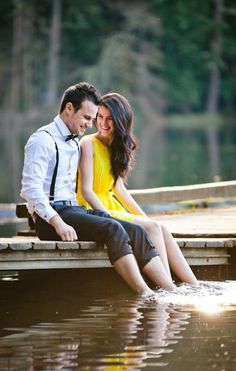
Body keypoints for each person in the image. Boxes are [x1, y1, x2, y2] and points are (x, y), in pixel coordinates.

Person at [21, 82, 176, 296]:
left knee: (137, 231)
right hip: (51, 221)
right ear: (69, 108)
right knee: (113, 229)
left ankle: (170, 291)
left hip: (73, 211)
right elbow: (31, 189)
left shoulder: (74, 141)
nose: (90, 124)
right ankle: (146, 294)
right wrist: (57, 223)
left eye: (92, 119)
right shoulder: (42, 140)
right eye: (86, 118)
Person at [77, 92, 198, 286]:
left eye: (110, 119)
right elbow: (86, 191)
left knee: (160, 228)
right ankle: (168, 287)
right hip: (91, 210)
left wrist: (145, 219)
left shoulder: (115, 147)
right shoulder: (88, 143)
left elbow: (119, 190)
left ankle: (194, 285)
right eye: (100, 117)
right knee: (153, 228)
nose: (103, 123)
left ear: (121, 121)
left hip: (109, 207)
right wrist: (108, 217)